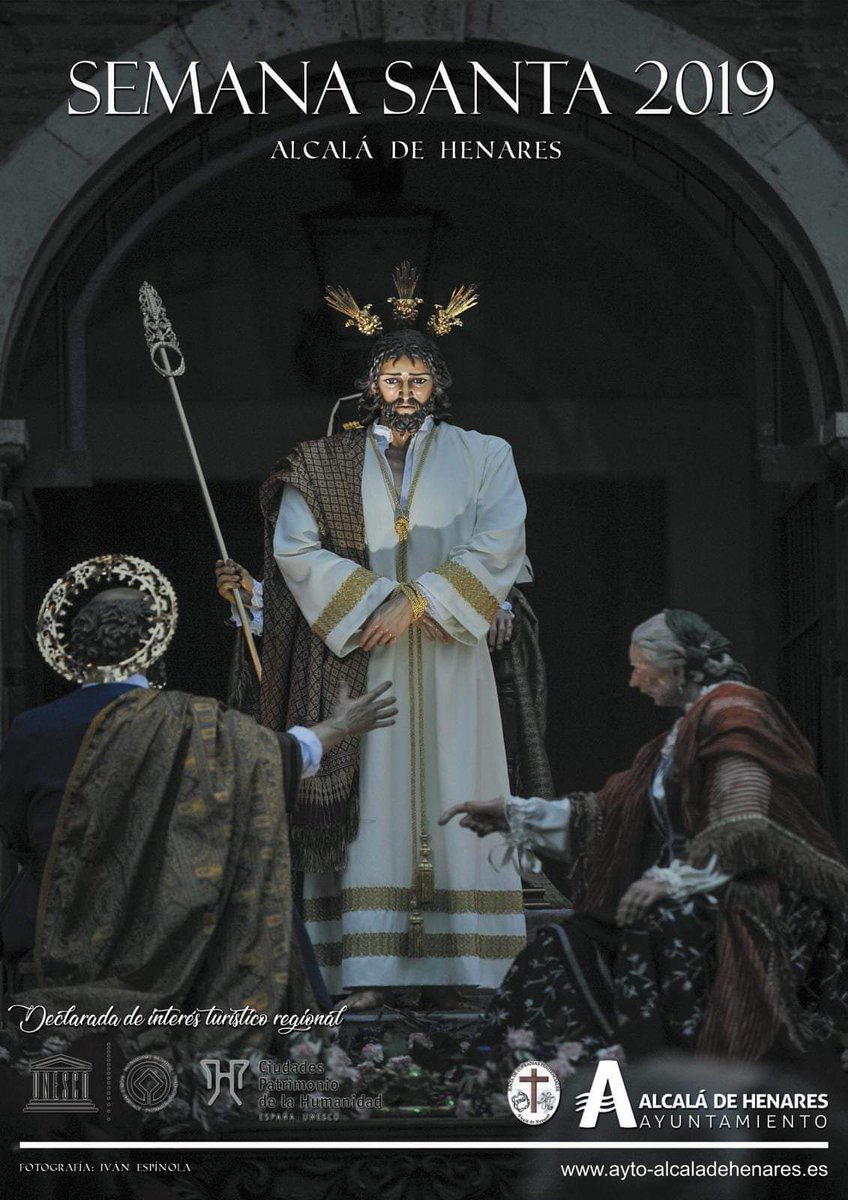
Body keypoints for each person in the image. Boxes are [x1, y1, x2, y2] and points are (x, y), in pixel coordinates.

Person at [223, 269, 529, 1008]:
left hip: (452, 658)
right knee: (371, 801)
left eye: (418, 378)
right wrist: (374, 603)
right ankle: (367, 970)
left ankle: (469, 969)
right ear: (371, 384)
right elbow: (295, 549)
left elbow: (501, 540)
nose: (405, 391)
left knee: (462, 786)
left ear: (438, 384)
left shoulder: (486, 454)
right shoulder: (324, 462)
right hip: (359, 657)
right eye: (392, 378)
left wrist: (419, 601)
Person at [0, 555, 396, 1051]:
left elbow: (16, 834)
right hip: (175, 937)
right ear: (155, 647)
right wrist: (340, 725)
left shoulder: (31, 729)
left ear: (76, 650)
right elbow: (275, 758)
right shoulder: (194, 723)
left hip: (58, 929)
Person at [441, 609, 848, 1061]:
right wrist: (514, 814)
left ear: (676, 666)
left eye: (641, 667)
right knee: (565, 941)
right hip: (693, 890)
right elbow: (609, 812)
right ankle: (523, 1064)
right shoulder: (686, 730)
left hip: (753, 891)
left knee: (653, 923)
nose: (634, 681)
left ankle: (654, 1065)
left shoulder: (737, 712)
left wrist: (669, 881)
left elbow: (742, 825)